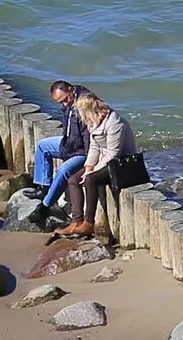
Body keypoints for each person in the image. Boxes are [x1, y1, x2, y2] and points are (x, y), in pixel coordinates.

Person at [60, 90, 148, 238]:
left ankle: (89, 223)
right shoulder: (93, 121)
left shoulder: (115, 123)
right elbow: (94, 147)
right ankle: (77, 222)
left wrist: (92, 172)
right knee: (73, 180)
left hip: (120, 164)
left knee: (90, 179)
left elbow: (113, 154)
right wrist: (89, 167)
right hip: (104, 161)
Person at [27, 80, 90, 222]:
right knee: (43, 146)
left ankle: (45, 207)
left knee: (63, 171)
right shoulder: (69, 101)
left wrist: (90, 162)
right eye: (60, 102)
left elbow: (89, 138)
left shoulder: (85, 104)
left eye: (65, 100)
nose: (65, 104)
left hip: (82, 151)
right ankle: (43, 188)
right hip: (69, 144)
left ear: (70, 89)